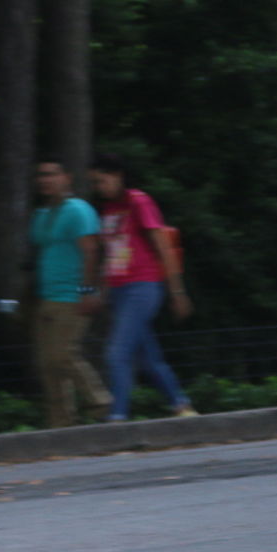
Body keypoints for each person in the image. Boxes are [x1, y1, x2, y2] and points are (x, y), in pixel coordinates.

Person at [88, 154, 196, 421]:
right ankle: (181, 406)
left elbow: (163, 247)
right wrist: (100, 293)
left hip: (142, 287)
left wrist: (177, 292)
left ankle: (118, 418)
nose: (99, 187)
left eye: (102, 180)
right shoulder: (109, 211)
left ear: (118, 176)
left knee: (117, 353)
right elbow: (110, 256)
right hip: (119, 291)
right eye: (95, 182)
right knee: (147, 358)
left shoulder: (139, 201)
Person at [27, 158, 111, 428]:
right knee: (47, 365)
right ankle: (61, 424)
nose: (45, 180)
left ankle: (102, 405)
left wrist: (88, 291)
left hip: (72, 296)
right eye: (41, 175)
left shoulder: (78, 209)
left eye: (51, 174)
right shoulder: (41, 215)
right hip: (46, 297)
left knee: (63, 355)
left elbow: (91, 251)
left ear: (67, 178)